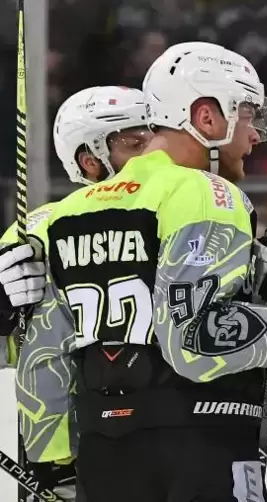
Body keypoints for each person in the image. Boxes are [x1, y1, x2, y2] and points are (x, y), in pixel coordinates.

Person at [17, 42, 267, 502]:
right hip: (199, 448)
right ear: (207, 118)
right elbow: (193, 342)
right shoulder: (204, 192)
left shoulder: (65, 213)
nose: (256, 135)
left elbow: (45, 353)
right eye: (247, 115)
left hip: (103, 461)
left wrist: (53, 464)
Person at [0, 85, 151, 500]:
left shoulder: (176, 211)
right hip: (58, 464)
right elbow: (11, 345)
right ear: (90, 159)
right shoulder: (36, 231)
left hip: (159, 443)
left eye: (155, 139)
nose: (153, 155)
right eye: (134, 143)